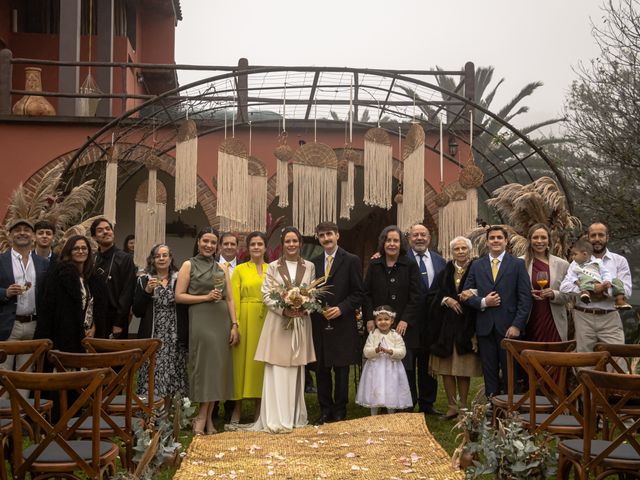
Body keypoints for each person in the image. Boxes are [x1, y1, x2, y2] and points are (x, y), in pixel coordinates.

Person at [175, 227, 239, 435]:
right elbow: (179, 296)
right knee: (205, 368)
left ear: (217, 245)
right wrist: (205, 297)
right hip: (201, 318)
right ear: (199, 241)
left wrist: (234, 325)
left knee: (217, 369)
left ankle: (208, 420)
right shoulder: (188, 265)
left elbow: (228, 297)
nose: (209, 245)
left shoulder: (221, 268)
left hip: (221, 321)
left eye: (213, 242)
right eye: (206, 241)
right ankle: (201, 417)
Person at [252, 226, 316, 433]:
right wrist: (284, 310)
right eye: (287, 241)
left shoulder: (309, 266)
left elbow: (313, 293)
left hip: (299, 323)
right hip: (278, 323)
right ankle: (276, 417)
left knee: (295, 368)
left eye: (295, 241)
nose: (291, 245)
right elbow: (267, 294)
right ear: (282, 244)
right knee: (277, 368)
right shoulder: (272, 267)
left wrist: (303, 307)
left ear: (300, 243)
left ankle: (294, 416)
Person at [461, 225, 532, 398]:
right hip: (485, 328)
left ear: (506, 241)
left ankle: (510, 414)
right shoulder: (477, 265)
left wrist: (517, 325)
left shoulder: (517, 264)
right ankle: (491, 411)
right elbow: (465, 294)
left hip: (509, 329)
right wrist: (484, 301)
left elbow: (525, 298)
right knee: (489, 371)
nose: (495, 241)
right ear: (487, 242)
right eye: (492, 238)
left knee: (510, 373)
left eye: (499, 237)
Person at [363, 225, 423, 411]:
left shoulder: (410, 264)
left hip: (404, 326)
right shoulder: (374, 265)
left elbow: (416, 295)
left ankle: (406, 405)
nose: (392, 244)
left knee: (404, 366)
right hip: (379, 325)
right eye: (388, 240)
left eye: (395, 240)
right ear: (383, 242)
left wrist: (405, 319)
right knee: (380, 365)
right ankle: (380, 402)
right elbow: (366, 294)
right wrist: (369, 318)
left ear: (401, 243)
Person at [311, 221, 364, 424]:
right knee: (322, 369)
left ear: (337, 235)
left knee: (341, 369)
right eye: (322, 235)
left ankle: (340, 409)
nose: (326, 238)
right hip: (320, 322)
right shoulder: (313, 263)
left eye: (329, 234)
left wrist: (341, 308)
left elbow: (359, 293)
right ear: (318, 238)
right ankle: (325, 409)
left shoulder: (351, 260)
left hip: (342, 322)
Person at [427, 236, 482, 420]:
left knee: (463, 370)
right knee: (447, 369)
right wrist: (446, 299)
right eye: (457, 249)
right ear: (452, 252)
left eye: (463, 248)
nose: (460, 252)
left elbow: (484, 289)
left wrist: (473, 293)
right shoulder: (444, 271)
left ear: (469, 250)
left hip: (467, 327)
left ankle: (464, 408)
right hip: (446, 329)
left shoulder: (478, 269)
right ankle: (452, 407)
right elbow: (433, 295)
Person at [560, 222, 632, 353]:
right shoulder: (578, 260)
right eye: (593, 235)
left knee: (617, 359)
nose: (597, 238)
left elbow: (626, 290)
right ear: (588, 237)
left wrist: (605, 290)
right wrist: (590, 290)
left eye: (601, 235)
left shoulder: (619, 261)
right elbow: (565, 286)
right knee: (584, 362)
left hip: (610, 317)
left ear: (607, 237)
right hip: (583, 317)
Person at [132, 244, 187, 398]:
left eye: (165, 255)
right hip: (153, 336)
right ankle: (150, 415)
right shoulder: (143, 280)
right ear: (153, 260)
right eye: (158, 256)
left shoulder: (179, 279)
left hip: (174, 335)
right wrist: (147, 292)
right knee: (152, 375)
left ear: (170, 258)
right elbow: (137, 311)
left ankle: (170, 418)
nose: (161, 258)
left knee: (173, 375)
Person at [35, 235, 107, 352]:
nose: (80, 251)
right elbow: (48, 311)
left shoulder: (94, 279)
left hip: (90, 339)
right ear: (69, 251)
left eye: (84, 248)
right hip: (65, 339)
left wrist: (94, 328)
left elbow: (98, 310)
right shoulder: (58, 276)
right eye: (76, 248)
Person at [0, 219, 49, 379]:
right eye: (17, 230)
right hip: (8, 325)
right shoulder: (1, 260)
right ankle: (2, 404)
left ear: (33, 236)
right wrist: (5, 293)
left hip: (34, 325)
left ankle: (23, 405)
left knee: (26, 375)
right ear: (10, 235)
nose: (22, 232)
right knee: (3, 374)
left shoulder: (43, 263)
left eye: (27, 230)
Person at [228, 231, 268, 425]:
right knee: (241, 365)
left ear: (265, 247)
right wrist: (235, 325)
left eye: (260, 244)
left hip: (267, 319)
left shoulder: (273, 269)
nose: (256, 247)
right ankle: (237, 409)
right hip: (245, 316)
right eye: (253, 244)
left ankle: (259, 410)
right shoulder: (240, 270)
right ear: (248, 248)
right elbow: (233, 298)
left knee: (260, 364)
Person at [406, 223, 445, 415]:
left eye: (423, 235)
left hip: (432, 323)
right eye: (415, 235)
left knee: (429, 365)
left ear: (429, 238)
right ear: (409, 239)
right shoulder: (401, 260)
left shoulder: (440, 261)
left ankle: (427, 403)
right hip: (409, 322)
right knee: (408, 365)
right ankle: (409, 401)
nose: (419, 238)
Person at [355, 305, 412, 415]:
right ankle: (373, 415)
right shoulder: (372, 335)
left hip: (392, 369)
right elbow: (366, 352)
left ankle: (391, 414)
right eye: (379, 319)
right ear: (375, 321)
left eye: (386, 319)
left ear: (392, 321)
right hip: (375, 369)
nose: (383, 322)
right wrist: (376, 350)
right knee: (375, 390)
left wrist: (391, 351)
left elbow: (402, 352)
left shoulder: (396, 335)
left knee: (391, 390)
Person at [522, 223, 571, 342]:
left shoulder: (562, 264)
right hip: (529, 319)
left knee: (554, 356)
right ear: (529, 240)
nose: (539, 241)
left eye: (543, 237)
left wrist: (554, 294)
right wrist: (527, 295)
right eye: (535, 237)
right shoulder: (519, 263)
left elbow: (570, 295)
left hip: (554, 320)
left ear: (549, 240)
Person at [91, 218, 136, 339]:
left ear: (113, 232)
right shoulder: (92, 259)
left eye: (108, 229)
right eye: (100, 230)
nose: (105, 232)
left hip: (115, 320)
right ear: (94, 237)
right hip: (94, 320)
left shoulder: (125, 258)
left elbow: (127, 292)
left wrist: (119, 322)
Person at [568, 239, 631, 310]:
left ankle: (619, 300)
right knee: (585, 279)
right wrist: (592, 288)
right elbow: (567, 284)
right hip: (588, 287)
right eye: (593, 235)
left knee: (617, 281)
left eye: (575, 254)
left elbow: (605, 272)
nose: (572, 257)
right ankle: (586, 293)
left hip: (602, 283)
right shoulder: (575, 265)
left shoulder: (600, 262)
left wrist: (606, 284)